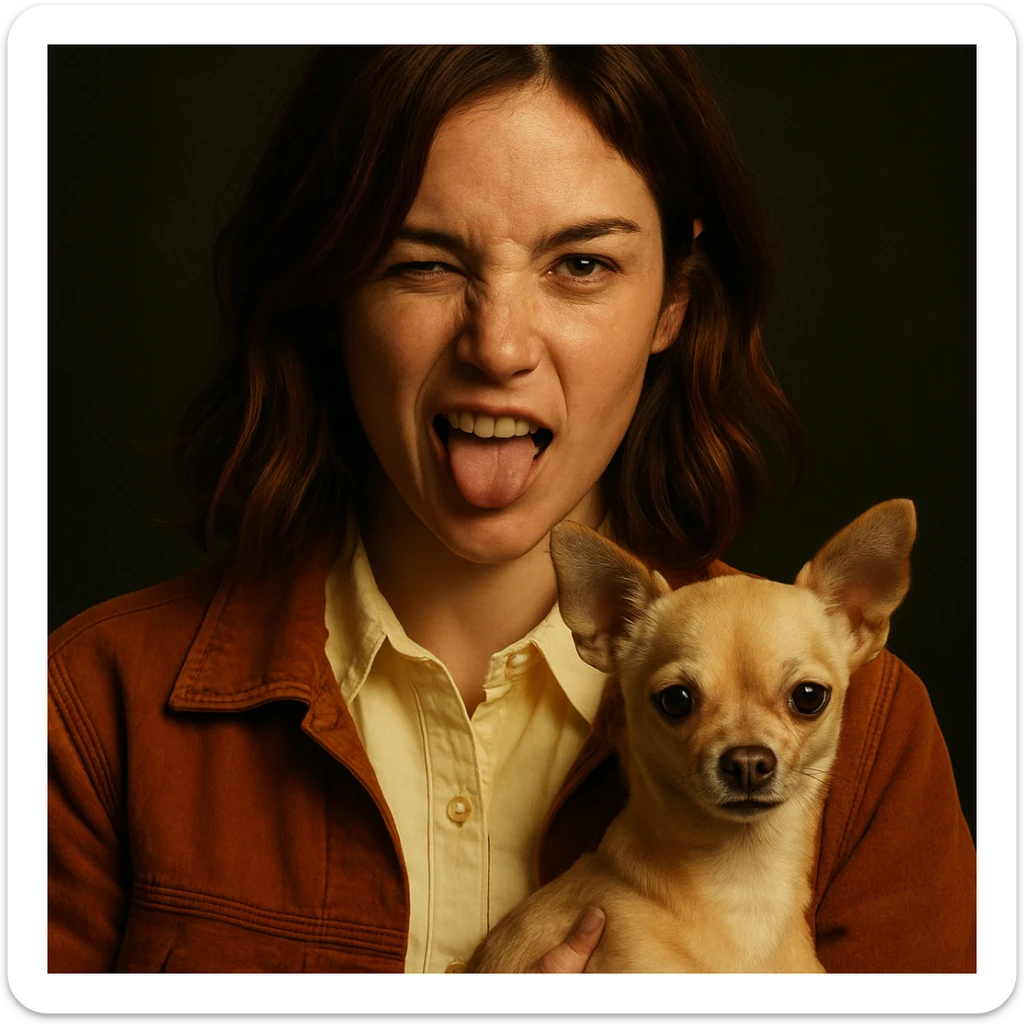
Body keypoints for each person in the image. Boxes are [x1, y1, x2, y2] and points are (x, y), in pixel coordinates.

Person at [47, 44, 975, 974]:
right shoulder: (93, 707)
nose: (498, 347)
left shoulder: (873, 730)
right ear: (330, 291)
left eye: (580, 263)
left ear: (673, 304)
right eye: (422, 264)